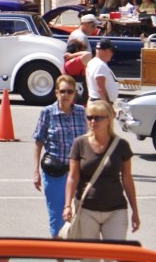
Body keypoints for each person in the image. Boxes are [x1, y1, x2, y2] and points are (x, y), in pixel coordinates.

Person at [63, 99, 140, 239]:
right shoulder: (79, 143)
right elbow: (73, 177)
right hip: (87, 209)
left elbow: (127, 179)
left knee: (113, 256)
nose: (93, 121)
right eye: (90, 117)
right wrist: (67, 205)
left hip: (116, 210)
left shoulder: (122, 145)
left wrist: (135, 211)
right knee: (89, 258)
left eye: (98, 118)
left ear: (108, 120)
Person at [32, 74, 87, 238]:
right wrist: (35, 171)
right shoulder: (47, 113)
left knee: (80, 216)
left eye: (70, 91)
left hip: (78, 173)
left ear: (74, 93)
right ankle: (59, 254)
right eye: (62, 91)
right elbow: (38, 141)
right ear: (56, 92)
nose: (66, 95)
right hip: (55, 172)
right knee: (57, 217)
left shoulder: (80, 112)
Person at [85, 38, 119, 104]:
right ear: (106, 50)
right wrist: (109, 107)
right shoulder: (99, 65)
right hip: (100, 104)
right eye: (112, 51)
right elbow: (100, 89)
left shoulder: (94, 62)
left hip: (98, 102)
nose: (112, 54)